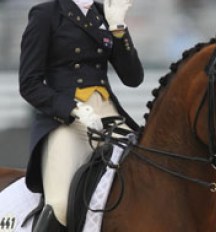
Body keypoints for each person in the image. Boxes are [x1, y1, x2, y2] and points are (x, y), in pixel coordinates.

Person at [19, 0, 144, 230]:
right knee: (60, 204)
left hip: (109, 116)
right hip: (68, 121)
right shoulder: (46, 14)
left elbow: (133, 78)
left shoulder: (103, 14)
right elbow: (29, 84)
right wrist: (71, 109)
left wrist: (118, 28)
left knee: (148, 177)